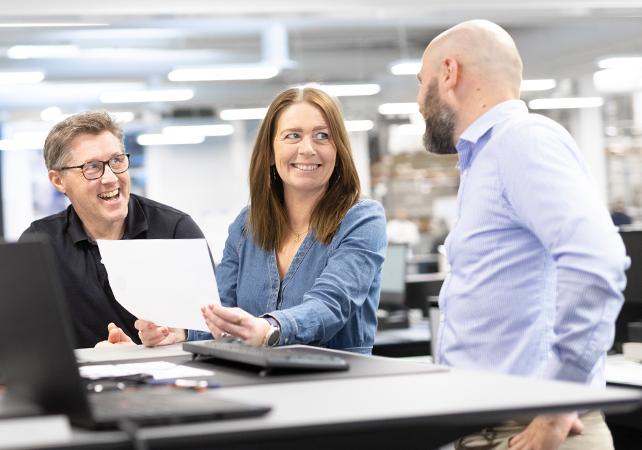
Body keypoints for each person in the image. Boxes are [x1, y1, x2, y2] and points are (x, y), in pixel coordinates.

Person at [416, 20, 627, 450]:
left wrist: (556, 405)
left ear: (449, 73)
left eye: (422, 84)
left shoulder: (522, 142)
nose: (418, 102)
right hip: (490, 427)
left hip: (527, 432)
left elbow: (597, 263)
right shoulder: (486, 158)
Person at [108, 85, 386, 352]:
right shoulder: (247, 225)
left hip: (337, 385)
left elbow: (330, 306)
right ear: (269, 151)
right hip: (257, 382)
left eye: (322, 136)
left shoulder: (361, 219)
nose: (308, 149)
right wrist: (177, 332)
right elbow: (220, 310)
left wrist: (267, 330)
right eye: (292, 136)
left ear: (338, 150)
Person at [21, 110, 205, 349]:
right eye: (93, 167)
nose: (110, 178)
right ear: (58, 181)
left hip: (166, 378)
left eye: (117, 161)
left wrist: (178, 334)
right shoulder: (39, 243)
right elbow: (28, 341)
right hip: (79, 382)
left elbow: (215, 328)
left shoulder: (175, 230)